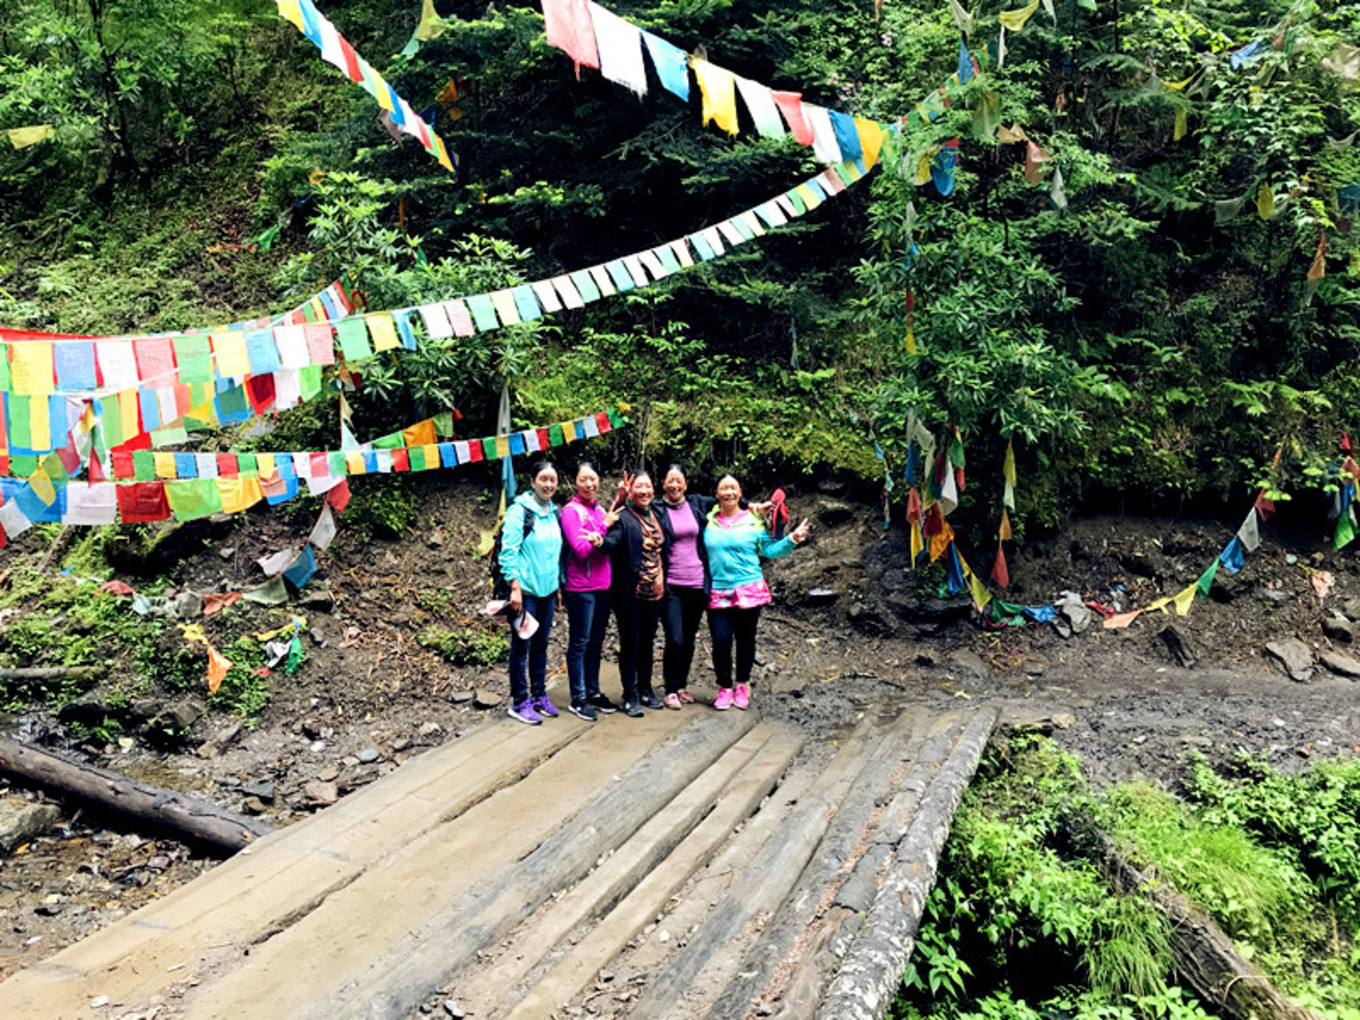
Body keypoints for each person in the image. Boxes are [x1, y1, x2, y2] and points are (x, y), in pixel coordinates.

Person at [702, 474, 810, 711]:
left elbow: (770, 550)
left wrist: (792, 539)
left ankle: (742, 684)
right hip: (718, 590)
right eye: (724, 488)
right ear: (717, 494)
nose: (729, 492)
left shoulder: (753, 521)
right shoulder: (708, 519)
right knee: (720, 640)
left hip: (749, 589)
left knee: (745, 640)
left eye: (733, 488)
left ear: (740, 492)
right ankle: (724, 686)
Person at [499, 460, 564, 725]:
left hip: (547, 592)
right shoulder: (519, 512)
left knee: (541, 644)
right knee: (521, 646)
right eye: (543, 479)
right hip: (525, 591)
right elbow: (508, 552)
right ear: (533, 482)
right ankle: (519, 701)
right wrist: (514, 587)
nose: (548, 485)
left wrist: (557, 585)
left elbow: (556, 553)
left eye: (553, 480)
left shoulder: (554, 512)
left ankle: (539, 694)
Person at [602, 471, 668, 717]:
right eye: (638, 486)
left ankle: (645, 689)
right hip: (629, 592)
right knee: (630, 644)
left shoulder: (658, 513)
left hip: (656, 591)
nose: (644, 491)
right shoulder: (624, 516)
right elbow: (611, 540)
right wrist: (599, 542)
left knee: (648, 642)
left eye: (648, 486)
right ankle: (629, 694)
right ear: (630, 490)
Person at [560, 462, 622, 721]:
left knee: (596, 642)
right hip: (580, 588)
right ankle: (578, 696)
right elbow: (582, 549)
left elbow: (602, 541)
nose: (589, 485)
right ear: (575, 482)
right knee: (580, 642)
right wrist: (604, 526)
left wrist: (618, 502)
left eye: (593, 479)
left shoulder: (597, 509)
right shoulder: (570, 512)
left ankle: (593, 691)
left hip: (602, 587)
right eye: (583, 479)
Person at [656, 464, 718, 709]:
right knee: (676, 638)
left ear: (685, 483)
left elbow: (727, 499)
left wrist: (753, 506)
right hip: (671, 583)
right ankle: (669, 688)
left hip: (697, 582)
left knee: (690, 638)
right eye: (670, 481)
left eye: (678, 481)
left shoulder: (697, 504)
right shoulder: (656, 508)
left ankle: (681, 685)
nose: (674, 485)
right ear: (663, 484)